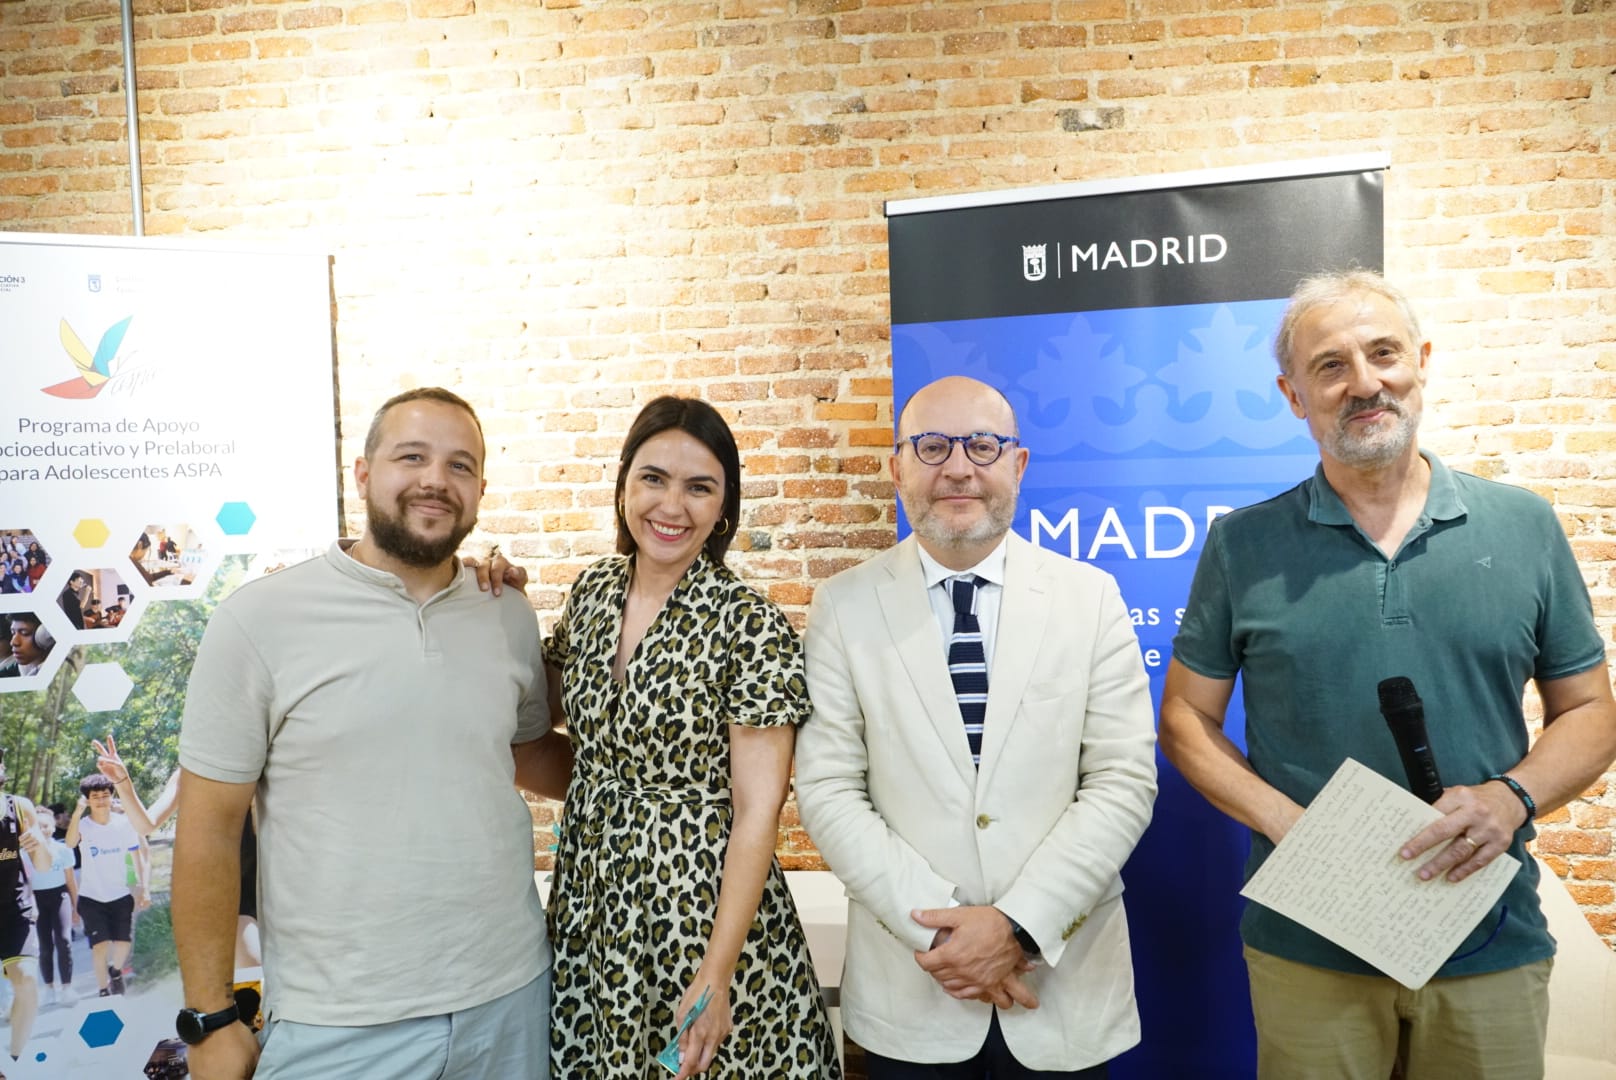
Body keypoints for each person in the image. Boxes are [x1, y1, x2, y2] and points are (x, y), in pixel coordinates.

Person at [1158, 270, 1616, 1080]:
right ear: (1294, 396)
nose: (1364, 383)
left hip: (1488, 938)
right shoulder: (1243, 546)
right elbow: (1185, 719)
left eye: (1383, 354)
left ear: (1421, 362)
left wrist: (1511, 798)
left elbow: (1589, 710)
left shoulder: (1524, 526)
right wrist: (1288, 823)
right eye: (1330, 366)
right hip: (1310, 947)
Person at [172, 387, 571, 1080]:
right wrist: (210, 1017)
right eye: (411, 457)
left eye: (460, 465)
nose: (435, 480)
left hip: (512, 999)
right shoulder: (259, 620)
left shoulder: (505, 612)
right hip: (339, 1024)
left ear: (480, 490)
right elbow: (209, 828)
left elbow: (527, 752)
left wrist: (669, 789)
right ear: (362, 474)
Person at [795, 375, 1159, 1078]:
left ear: (1017, 464)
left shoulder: (1090, 599)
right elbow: (829, 789)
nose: (958, 468)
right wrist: (949, 936)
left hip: (1061, 991)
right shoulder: (842, 607)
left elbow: (1122, 781)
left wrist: (1016, 927)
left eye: (982, 446)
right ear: (897, 468)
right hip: (914, 991)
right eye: (931, 447)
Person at [540, 396, 840, 1079]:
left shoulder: (748, 624)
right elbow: (541, 718)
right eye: (654, 478)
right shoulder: (593, 593)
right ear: (623, 485)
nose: (671, 506)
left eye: (699, 487)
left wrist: (717, 973)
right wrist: (485, 589)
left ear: (723, 506)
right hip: (593, 902)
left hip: (701, 913)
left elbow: (757, 812)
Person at [64, 770, 151, 997]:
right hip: (92, 897)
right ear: (87, 799)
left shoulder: (125, 824)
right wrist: (77, 813)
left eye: (105, 795)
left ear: (112, 796)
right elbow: (70, 842)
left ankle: (115, 971)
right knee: (100, 945)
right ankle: (103, 990)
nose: (101, 800)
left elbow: (135, 857)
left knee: (123, 942)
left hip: (121, 894)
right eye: (95, 796)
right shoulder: (83, 825)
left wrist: (141, 888)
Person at [0, 750, 53, 1062]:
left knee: (27, 980)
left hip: (14, 907)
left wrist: (39, 843)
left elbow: (43, 865)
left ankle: (14, 1060)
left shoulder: (19, 807)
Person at [30, 803, 77, 1007]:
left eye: (46, 826)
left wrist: (76, 907)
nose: (43, 830)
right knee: (45, 945)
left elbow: (70, 881)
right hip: (37, 900)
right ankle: (49, 988)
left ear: (53, 826)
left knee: (64, 940)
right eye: (38, 826)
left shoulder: (63, 850)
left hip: (60, 897)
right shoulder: (25, 853)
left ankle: (67, 987)